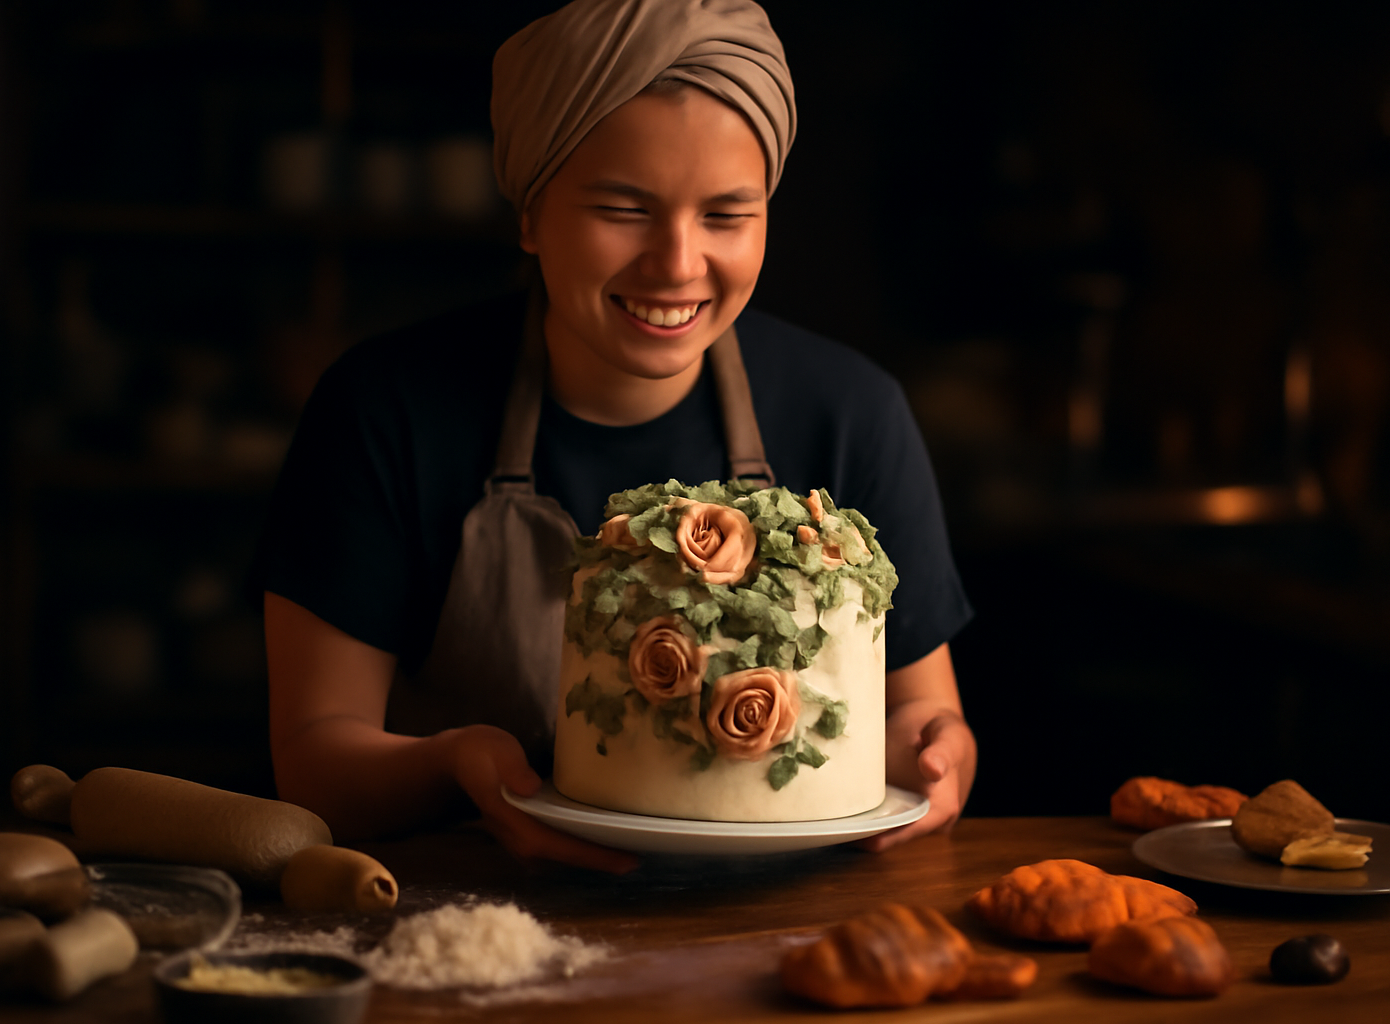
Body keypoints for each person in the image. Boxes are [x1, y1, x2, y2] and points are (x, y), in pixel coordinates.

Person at [256, 0, 975, 874]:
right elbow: (314, 761)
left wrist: (936, 753)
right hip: (470, 920)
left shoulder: (852, 411)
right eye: (624, 209)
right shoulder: (385, 409)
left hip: (786, 925)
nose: (677, 264)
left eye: (726, 216)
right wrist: (456, 766)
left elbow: (922, 721)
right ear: (530, 213)